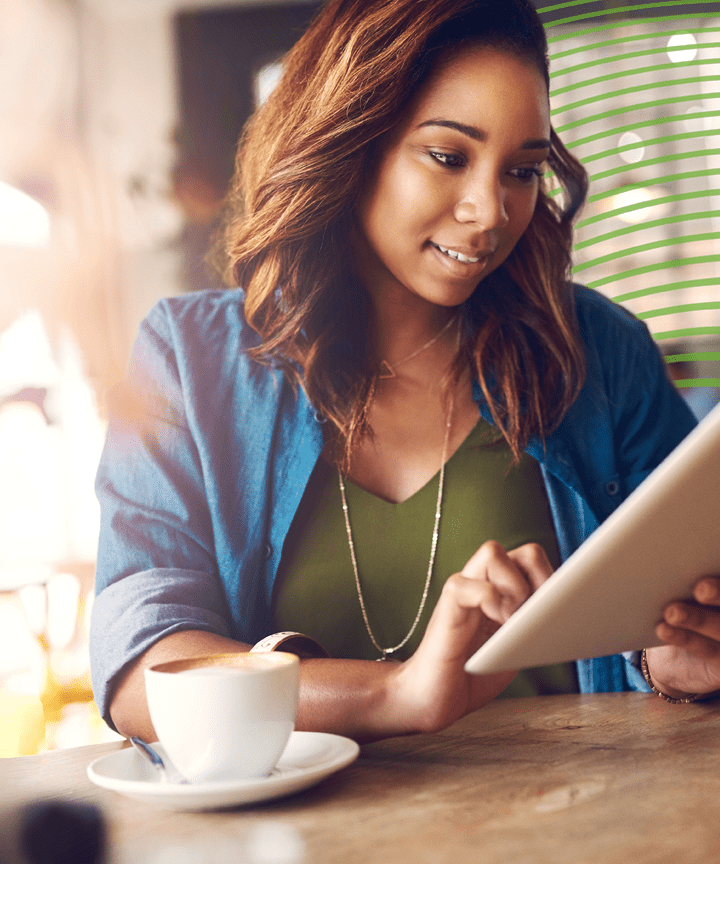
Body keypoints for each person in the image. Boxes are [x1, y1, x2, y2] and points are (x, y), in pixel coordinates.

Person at [90, 0, 720, 745]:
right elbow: (141, 674)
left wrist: (675, 659)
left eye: (522, 170)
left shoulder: (598, 353)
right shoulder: (189, 364)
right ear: (350, 142)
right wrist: (397, 693)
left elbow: (678, 611)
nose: (491, 211)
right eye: (449, 156)